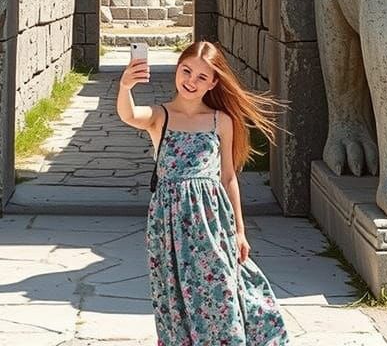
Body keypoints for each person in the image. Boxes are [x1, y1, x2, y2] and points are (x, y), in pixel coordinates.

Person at [117, 39, 290, 346]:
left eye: (201, 77)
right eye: (186, 71)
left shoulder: (220, 121)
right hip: (168, 225)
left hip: (212, 223)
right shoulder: (161, 116)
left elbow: (228, 177)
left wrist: (240, 230)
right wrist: (125, 86)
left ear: (213, 82)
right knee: (174, 297)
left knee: (220, 291)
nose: (191, 81)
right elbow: (129, 115)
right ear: (176, 70)